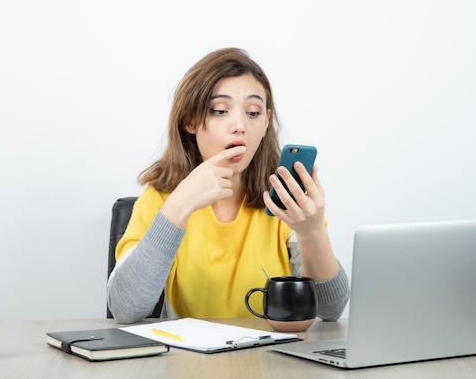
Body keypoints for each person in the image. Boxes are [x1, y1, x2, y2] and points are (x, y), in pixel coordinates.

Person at [107, 48, 350, 324]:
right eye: (220, 111)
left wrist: (312, 231)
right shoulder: (160, 199)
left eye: (254, 113)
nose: (239, 126)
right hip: (187, 362)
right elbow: (125, 308)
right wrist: (179, 205)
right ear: (190, 120)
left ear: (266, 122)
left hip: (271, 360)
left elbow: (331, 309)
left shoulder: (284, 197)